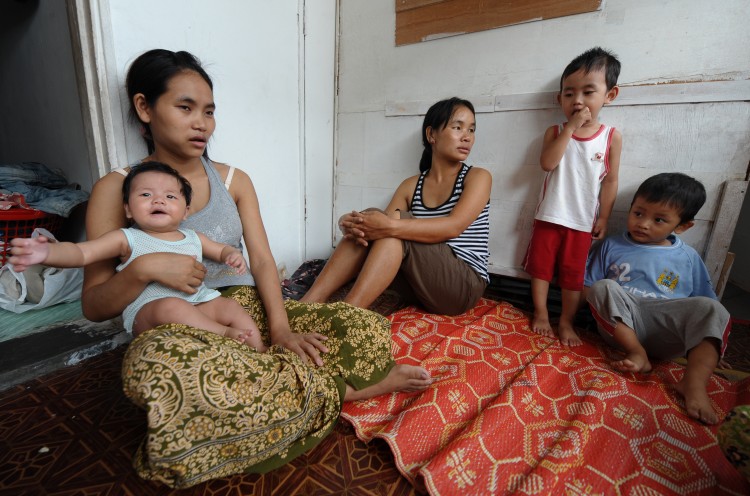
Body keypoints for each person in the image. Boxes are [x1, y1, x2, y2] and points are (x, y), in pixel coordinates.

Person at [82, 48, 432, 488]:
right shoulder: (115, 188)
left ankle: (277, 390)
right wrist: (143, 269)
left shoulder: (234, 180)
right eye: (185, 107)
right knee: (164, 373)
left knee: (360, 327)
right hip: (176, 329)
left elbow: (263, 261)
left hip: (242, 313)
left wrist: (281, 328)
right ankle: (342, 392)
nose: (201, 123)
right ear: (144, 107)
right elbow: (94, 305)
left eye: (209, 111)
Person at [9, 161, 265, 351]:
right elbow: (81, 253)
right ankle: (223, 334)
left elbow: (220, 250)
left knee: (230, 306)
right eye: (145, 195)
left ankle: (262, 352)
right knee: (171, 306)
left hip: (198, 304)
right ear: (128, 209)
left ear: (185, 211)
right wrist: (47, 252)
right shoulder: (126, 238)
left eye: (170, 196)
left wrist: (232, 255)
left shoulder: (194, 237)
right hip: (151, 315)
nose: (158, 200)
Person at [301, 97, 492, 316]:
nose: (467, 137)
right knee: (373, 220)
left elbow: (453, 227)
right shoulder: (411, 185)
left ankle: (346, 315)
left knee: (392, 226)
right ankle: (307, 304)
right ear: (432, 135)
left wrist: (386, 225)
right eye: (458, 127)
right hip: (420, 286)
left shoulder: (478, 177)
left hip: (461, 287)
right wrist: (348, 221)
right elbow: (378, 229)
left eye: (471, 129)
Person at [584, 173, 731, 424]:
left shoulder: (688, 257)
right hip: (621, 326)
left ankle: (693, 384)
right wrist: (565, 320)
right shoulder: (611, 246)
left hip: (665, 329)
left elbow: (704, 306)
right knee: (601, 287)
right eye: (638, 213)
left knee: (713, 310)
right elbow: (587, 287)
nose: (644, 223)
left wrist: (712, 347)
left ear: (683, 226)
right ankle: (636, 353)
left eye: (659, 219)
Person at [523, 47, 622, 346]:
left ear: (610, 95)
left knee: (572, 276)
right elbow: (547, 164)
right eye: (569, 94)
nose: (577, 101)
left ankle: (566, 321)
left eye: (588, 92)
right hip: (550, 215)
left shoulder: (611, 137)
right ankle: (540, 313)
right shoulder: (555, 132)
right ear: (559, 99)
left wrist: (604, 216)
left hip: (581, 222)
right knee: (540, 270)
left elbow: (611, 180)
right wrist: (571, 128)